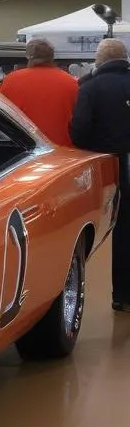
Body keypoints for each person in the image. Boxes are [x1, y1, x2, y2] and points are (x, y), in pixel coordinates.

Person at [70, 38, 130, 311]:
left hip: (107, 165)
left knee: (107, 227)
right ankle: (124, 296)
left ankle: (116, 295)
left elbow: (80, 129)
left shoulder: (90, 88)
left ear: (99, 60)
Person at [0, 38, 79, 147]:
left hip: (22, 149)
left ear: (28, 57)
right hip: (60, 149)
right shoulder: (70, 82)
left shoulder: (11, 80)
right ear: (52, 57)